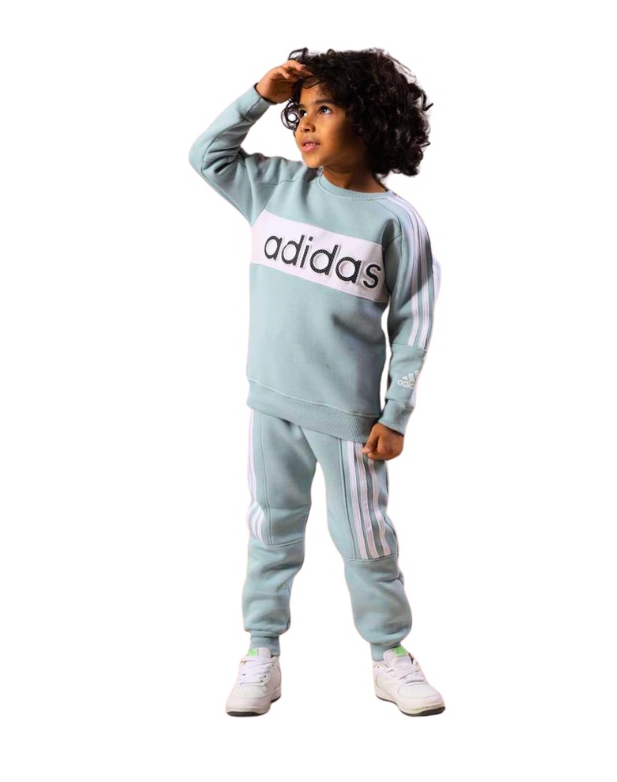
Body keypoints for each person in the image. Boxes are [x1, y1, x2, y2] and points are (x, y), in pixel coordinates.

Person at [188, 47, 444, 717]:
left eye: (323, 109)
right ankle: (261, 650)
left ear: (371, 119)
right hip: (270, 402)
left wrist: (395, 414)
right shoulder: (274, 188)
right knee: (270, 529)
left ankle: (389, 653)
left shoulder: (396, 222)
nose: (303, 123)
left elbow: (413, 324)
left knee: (367, 539)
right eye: (299, 111)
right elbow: (207, 155)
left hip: (349, 420)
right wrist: (259, 94)